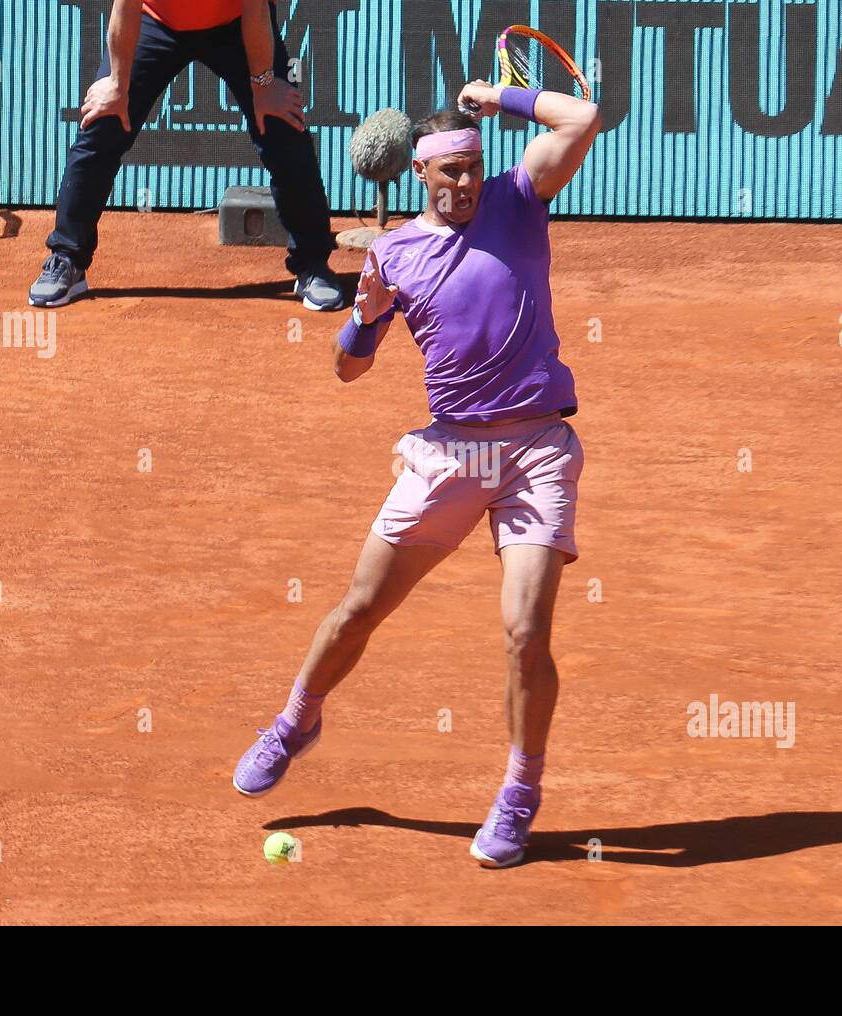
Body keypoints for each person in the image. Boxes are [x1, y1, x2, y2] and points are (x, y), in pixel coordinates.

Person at [233, 79, 601, 868]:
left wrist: (500, 97)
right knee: (361, 607)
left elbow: (583, 115)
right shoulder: (393, 253)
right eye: (450, 173)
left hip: (538, 449)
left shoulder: (521, 195)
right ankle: (297, 719)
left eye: (472, 167)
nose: (466, 183)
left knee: (525, 633)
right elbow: (347, 371)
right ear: (421, 176)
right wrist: (363, 320)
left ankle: (519, 792)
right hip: (449, 455)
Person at [29, 0, 341, 311]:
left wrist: (264, 85)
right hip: (155, 19)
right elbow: (125, 4)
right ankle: (67, 257)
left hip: (236, 21)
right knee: (103, 123)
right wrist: (116, 83)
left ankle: (312, 264)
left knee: (283, 128)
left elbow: (256, 8)